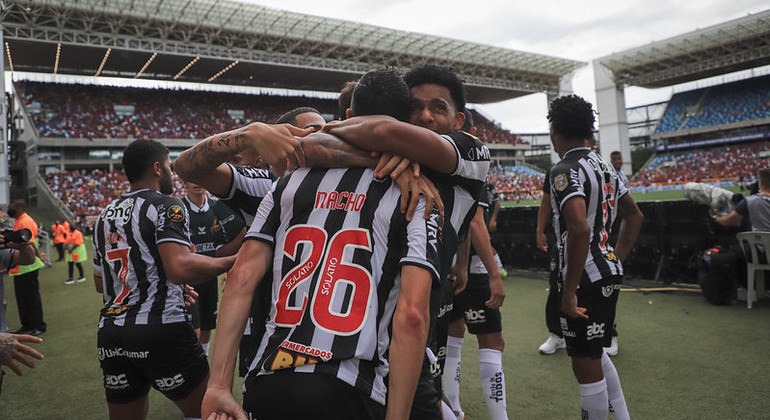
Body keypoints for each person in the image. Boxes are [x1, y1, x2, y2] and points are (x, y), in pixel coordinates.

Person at [202, 68, 440, 420]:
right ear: (406, 124)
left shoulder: (288, 181)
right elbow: (412, 316)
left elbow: (241, 278)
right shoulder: (416, 194)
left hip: (269, 381)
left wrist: (218, 385)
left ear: (347, 117)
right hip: (348, 387)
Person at [323, 64, 494, 419]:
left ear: (459, 120)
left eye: (439, 108)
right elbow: (311, 146)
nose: (426, 116)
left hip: (400, 338)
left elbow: (380, 130)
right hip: (351, 338)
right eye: (416, 107)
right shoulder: (390, 157)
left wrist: (345, 132)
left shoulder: (472, 153)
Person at [92, 139, 237, 420]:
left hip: (111, 333)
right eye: (170, 166)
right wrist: (235, 261)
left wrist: (162, 283)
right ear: (158, 168)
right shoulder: (166, 204)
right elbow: (179, 268)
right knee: (209, 412)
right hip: (161, 328)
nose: (173, 173)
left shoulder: (103, 215)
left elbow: (101, 284)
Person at [547, 95, 643, 420]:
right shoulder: (608, 167)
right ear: (589, 129)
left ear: (554, 130)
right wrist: (616, 256)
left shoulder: (564, 170)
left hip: (585, 277)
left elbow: (578, 227)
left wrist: (569, 289)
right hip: (608, 269)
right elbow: (635, 216)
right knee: (597, 352)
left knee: (585, 365)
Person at [442, 110, 508, 420]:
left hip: (443, 269)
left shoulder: (433, 165)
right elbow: (476, 222)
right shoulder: (473, 167)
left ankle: (454, 409)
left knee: (451, 341)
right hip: (472, 271)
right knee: (492, 344)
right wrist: (494, 272)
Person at [181, 182, 224, 356]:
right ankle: (192, 361)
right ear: (185, 182)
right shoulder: (178, 208)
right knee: (193, 329)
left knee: (207, 326)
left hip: (210, 276)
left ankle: (202, 359)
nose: (197, 183)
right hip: (188, 279)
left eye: (200, 178)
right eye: (192, 178)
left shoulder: (217, 207)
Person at [7, 200, 47, 336]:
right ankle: (27, 325)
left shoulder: (25, 221)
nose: (8, 209)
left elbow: (28, 243)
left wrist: (37, 255)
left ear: (19, 208)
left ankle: (38, 326)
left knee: (31, 298)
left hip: (28, 266)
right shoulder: (20, 220)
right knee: (22, 298)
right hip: (21, 266)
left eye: (11, 207)